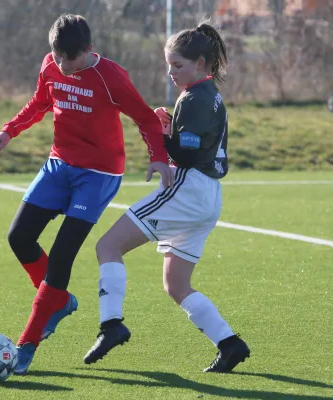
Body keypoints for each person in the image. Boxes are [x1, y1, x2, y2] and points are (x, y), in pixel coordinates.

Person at [0, 14, 174, 375]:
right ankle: (57, 300)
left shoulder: (112, 77)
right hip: (60, 164)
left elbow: (146, 118)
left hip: (98, 174)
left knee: (62, 252)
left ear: (88, 50)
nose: (61, 67)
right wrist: (8, 131)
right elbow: (40, 102)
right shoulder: (51, 63)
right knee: (19, 237)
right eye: (56, 58)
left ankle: (28, 342)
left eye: (68, 61)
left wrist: (159, 158)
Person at [83, 21, 250, 373]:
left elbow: (185, 156)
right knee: (176, 284)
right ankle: (229, 344)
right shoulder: (208, 94)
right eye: (168, 64)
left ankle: (111, 325)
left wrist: (162, 130)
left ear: (202, 64)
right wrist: (170, 126)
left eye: (179, 65)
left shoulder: (194, 98)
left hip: (188, 189)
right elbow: (194, 144)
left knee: (107, 247)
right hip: (208, 196)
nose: (171, 72)